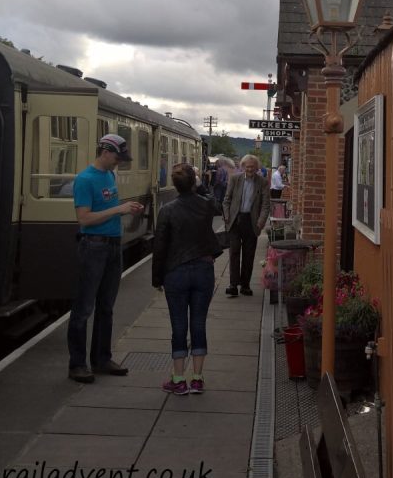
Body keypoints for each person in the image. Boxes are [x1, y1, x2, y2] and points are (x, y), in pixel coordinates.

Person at [67, 134, 144, 383]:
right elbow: (85, 219)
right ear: (105, 152)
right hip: (93, 247)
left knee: (106, 307)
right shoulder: (85, 179)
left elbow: (106, 208)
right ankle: (77, 364)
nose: (118, 163)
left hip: (112, 246)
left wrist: (128, 208)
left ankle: (101, 358)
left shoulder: (110, 176)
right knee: (83, 308)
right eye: (117, 158)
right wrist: (119, 209)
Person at [152, 163, 222, 395]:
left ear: (174, 185)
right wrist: (199, 186)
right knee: (199, 322)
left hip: (176, 273)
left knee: (178, 325)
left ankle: (179, 378)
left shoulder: (167, 210)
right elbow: (212, 199)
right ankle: (198, 378)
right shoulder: (206, 206)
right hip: (203, 270)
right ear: (194, 182)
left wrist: (157, 278)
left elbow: (160, 247)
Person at [221, 154, 270, 297]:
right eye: (247, 166)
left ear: (257, 168)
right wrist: (227, 216)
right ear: (243, 167)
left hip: (251, 221)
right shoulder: (235, 179)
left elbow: (266, 205)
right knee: (234, 253)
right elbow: (226, 200)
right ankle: (233, 285)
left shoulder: (262, 182)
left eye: (252, 167)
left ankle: (245, 285)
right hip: (236, 220)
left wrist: (260, 222)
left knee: (249, 255)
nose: (250, 169)